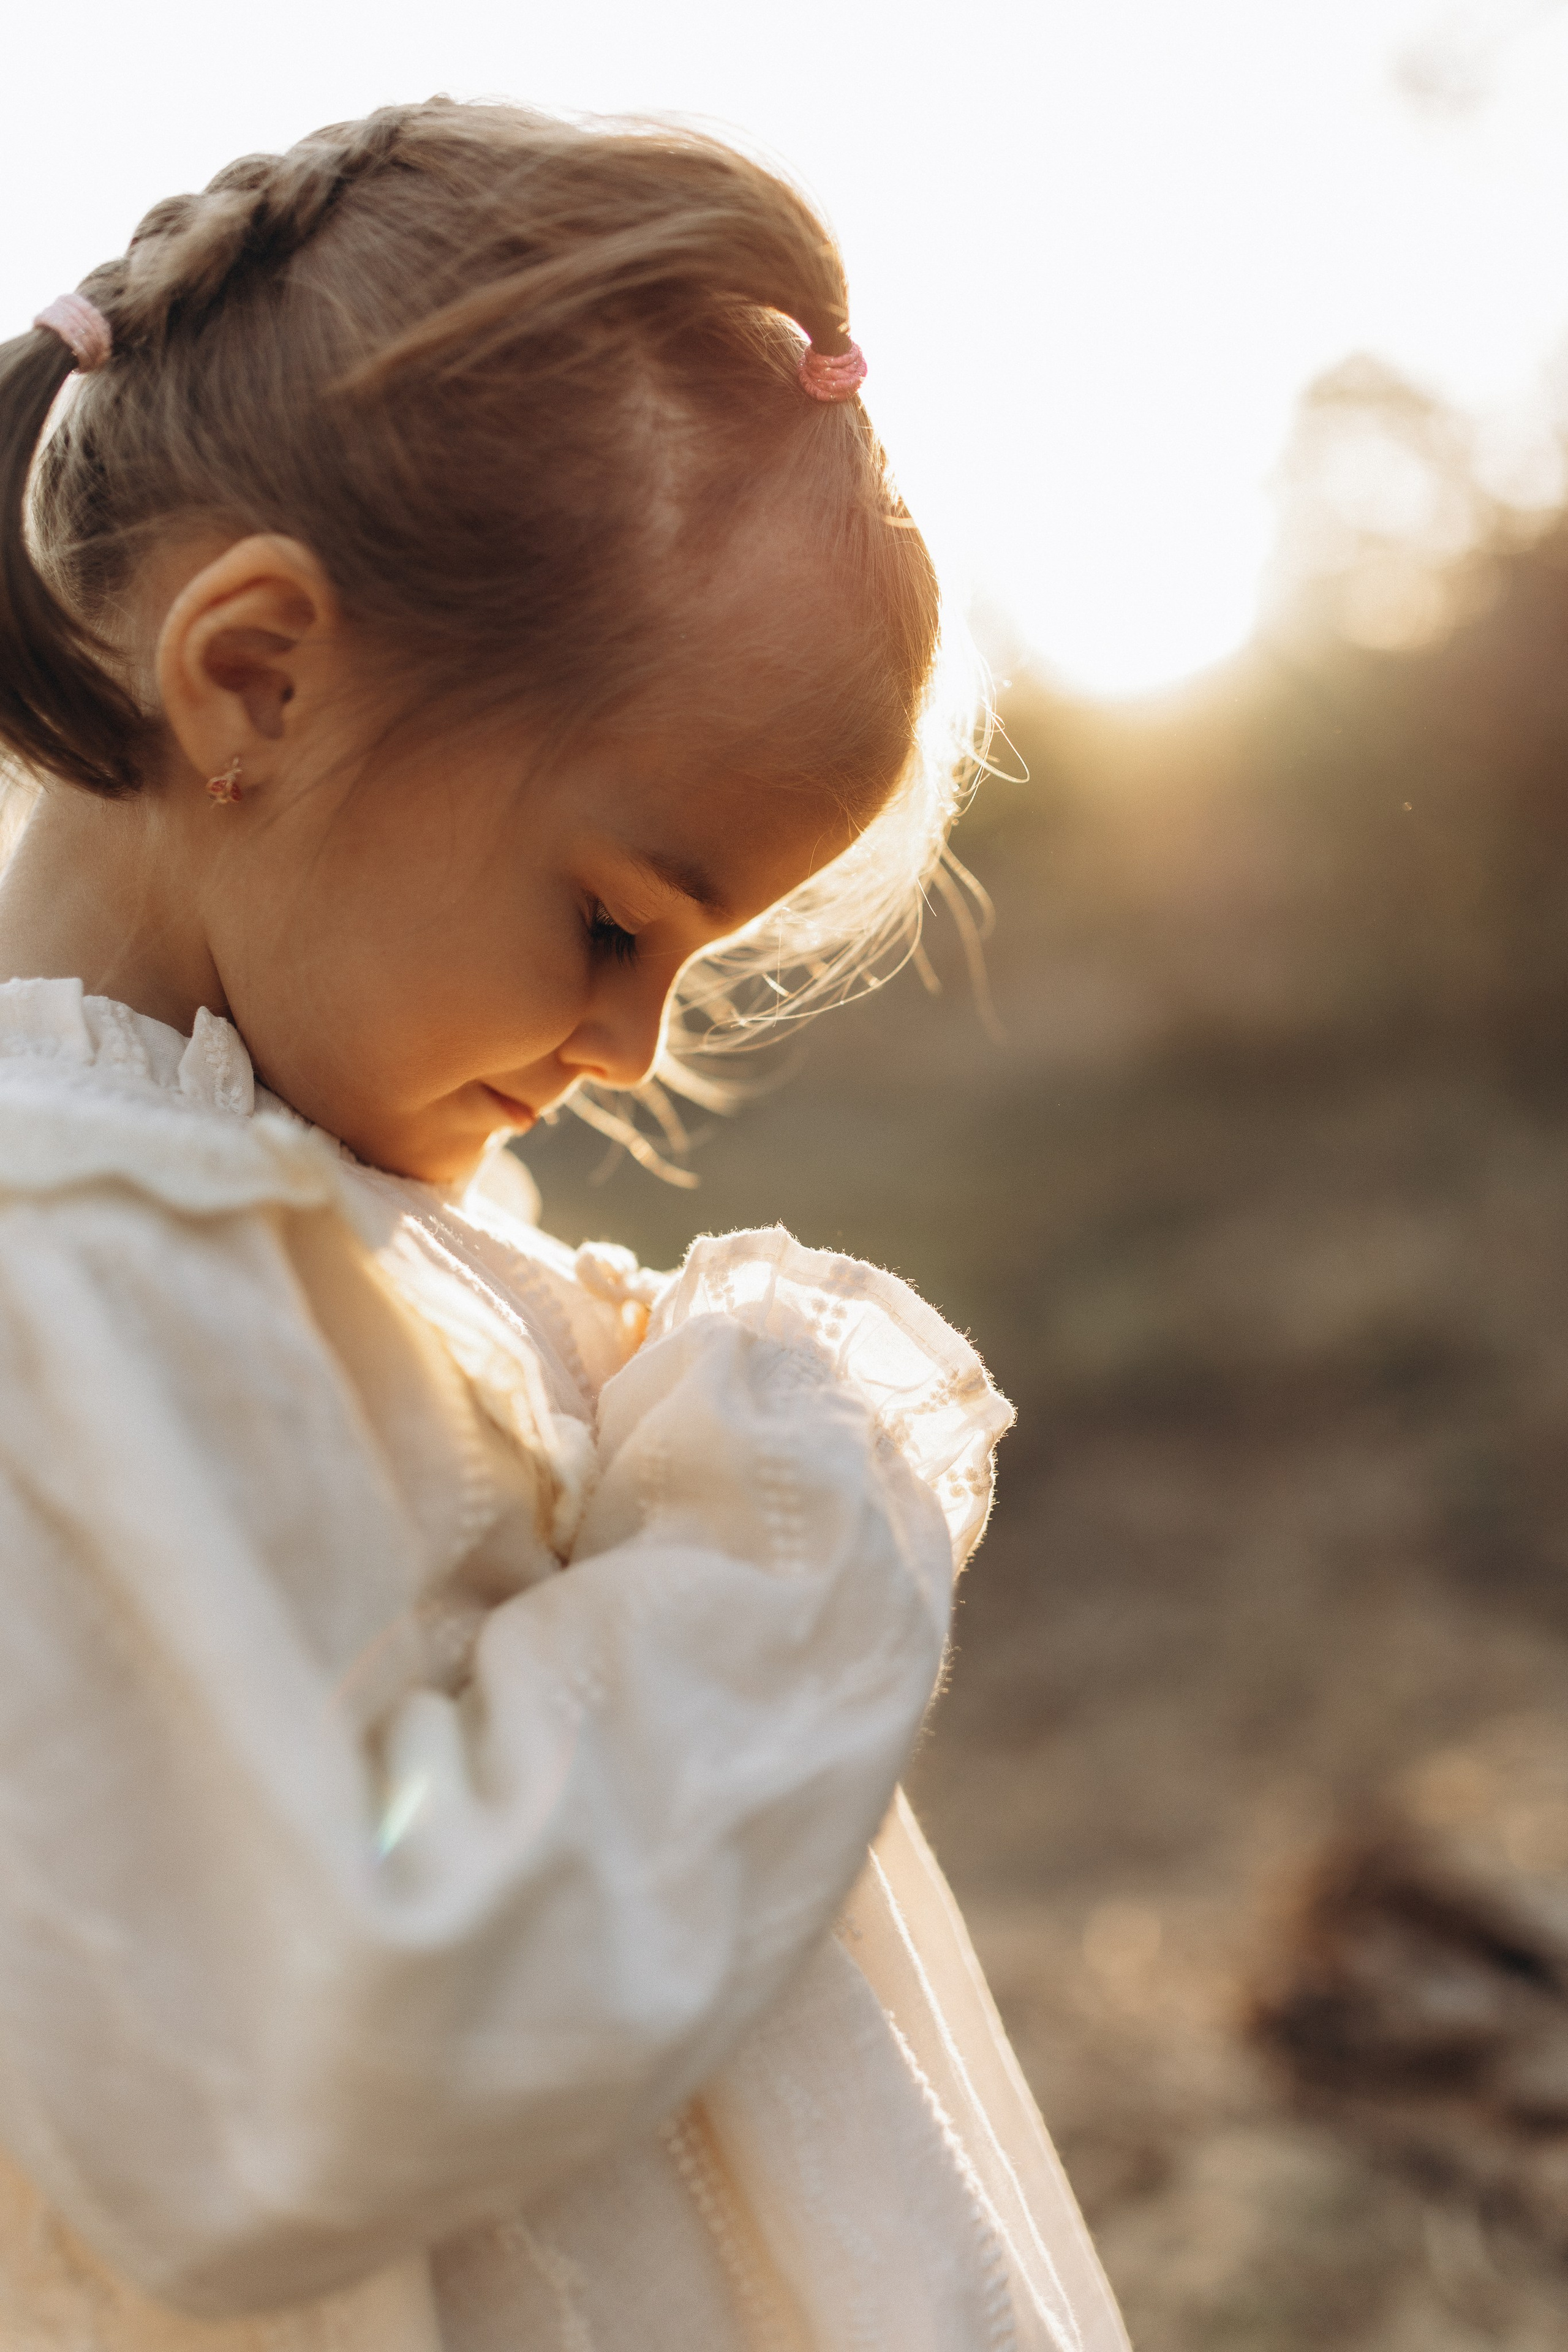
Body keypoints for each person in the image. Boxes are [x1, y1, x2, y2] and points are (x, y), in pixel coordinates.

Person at [0, 98, 1128, 2352]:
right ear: (254, 680)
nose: (627, 1047)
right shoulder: (68, 1269)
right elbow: (290, 2055)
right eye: (617, 917)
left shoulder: (227, 1201)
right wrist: (784, 1550)